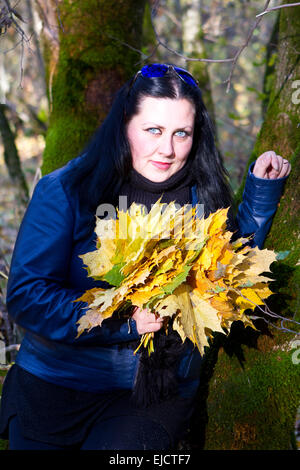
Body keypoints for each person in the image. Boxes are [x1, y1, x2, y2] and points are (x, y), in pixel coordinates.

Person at [0, 64, 291, 450]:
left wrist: (261, 192)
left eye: (181, 133)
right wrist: (124, 320)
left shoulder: (200, 196)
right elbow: (27, 296)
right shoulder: (68, 191)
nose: (167, 149)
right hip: (54, 390)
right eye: (153, 130)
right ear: (124, 124)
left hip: (150, 396)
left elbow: (228, 269)